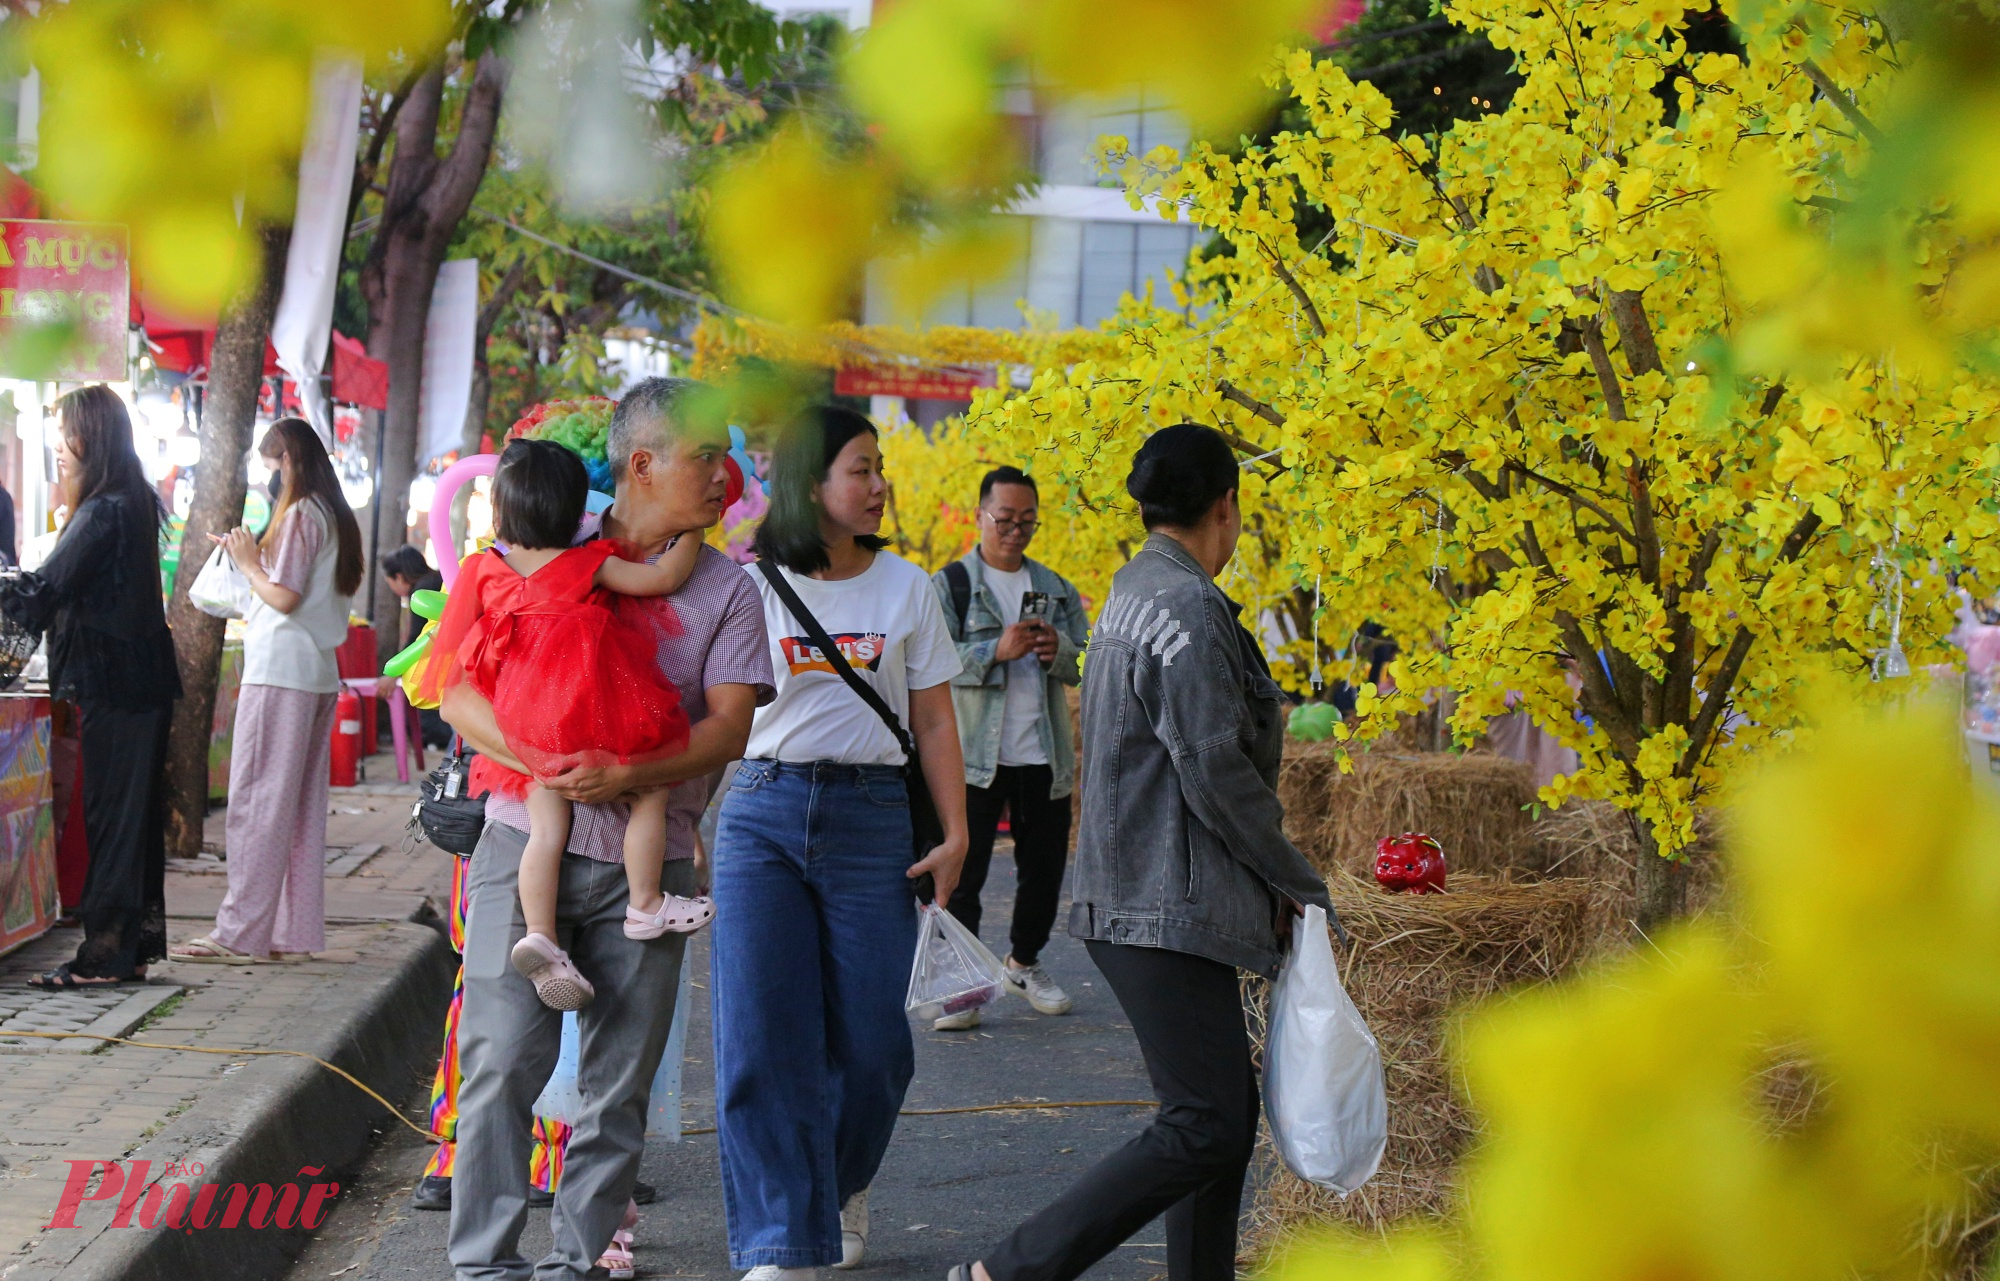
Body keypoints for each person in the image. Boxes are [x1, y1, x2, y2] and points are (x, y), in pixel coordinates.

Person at [948, 423, 1335, 1281]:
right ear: (1226, 506)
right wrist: (1296, 877)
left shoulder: (1133, 584)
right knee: (1205, 1121)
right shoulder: (1190, 605)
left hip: (1142, 886)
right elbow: (1213, 765)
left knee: (1218, 1122)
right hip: (1165, 895)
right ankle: (1008, 1270)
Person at [439, 377, 774, 1281]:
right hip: (524, 843)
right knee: (500, 1066)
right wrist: (545, 755)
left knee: (615, 1090)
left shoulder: (730, 594)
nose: (725, 474)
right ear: (642, 463)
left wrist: (626, 773)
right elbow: (456, 688)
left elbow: (730, 728)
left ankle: (573, 1264)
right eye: (705, 456)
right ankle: (482, 1264)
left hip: (651, 869)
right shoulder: (541, 549)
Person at [711, 405, 969, 1280]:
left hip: (871, 817)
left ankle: (835, 1181)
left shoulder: (907, 586)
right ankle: (780, 1239)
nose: (878, 483)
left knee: (875, 1044)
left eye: (879, 466)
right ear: (811, 483)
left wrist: (959, 831)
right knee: (760, 1034)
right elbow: (714, 712)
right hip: (762, 809)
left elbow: (933, 719)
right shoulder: (747, 585)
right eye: (861, 467)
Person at [422, 437, 710, 1011]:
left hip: (521, 725)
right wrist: (690, 535)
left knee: (544, 829)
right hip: (585, 708)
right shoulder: (589, 560)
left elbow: (449, 666)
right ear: (578, 510)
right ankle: (647, 902)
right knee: (650, 788)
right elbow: (661, 580)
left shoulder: (482, 570)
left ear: (501, 513)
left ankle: (542, 936)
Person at [0, 385, 179, 987]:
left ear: (92, 437)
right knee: (127, 819)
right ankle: (122, 952)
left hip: (119, 684)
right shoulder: (128, 498)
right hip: (134, 683)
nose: (58, 447)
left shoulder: (105, 509)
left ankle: (102, 956)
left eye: (66, 433)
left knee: (115, 819)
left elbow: (44, 588)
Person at [171, 417, 362, 965]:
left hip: (280, 672)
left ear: (289, 461)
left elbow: (282, 597)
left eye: (272, 467)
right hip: (315, 673)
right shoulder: (333, 515)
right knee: (297, 809)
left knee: (257, 803)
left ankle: (239, 933)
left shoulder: (302, 514)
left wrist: (250, 563)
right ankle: (289, 932)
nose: (271, 480)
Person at [928, 466, 1088, 1029]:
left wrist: (1057, 648)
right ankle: (964, 985)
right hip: (973, 756)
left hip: (1042, 753)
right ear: (979, 516)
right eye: (1005, 519)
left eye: (1027, 521)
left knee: (1043, 870)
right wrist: (994, 649)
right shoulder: (949, 585)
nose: (1015, 531)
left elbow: (1085, 663)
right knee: (963, 872)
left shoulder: (1055, 587)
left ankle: (1023, 963)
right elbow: (931, 663)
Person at [381, 543, 451, 749]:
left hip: (443, 662)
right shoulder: (437, 579)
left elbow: (418, 637)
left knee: (423, 696)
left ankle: (436, 741)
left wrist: (392, 673)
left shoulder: (422, 593)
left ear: (399, 577)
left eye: (390, 583)